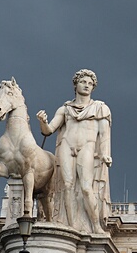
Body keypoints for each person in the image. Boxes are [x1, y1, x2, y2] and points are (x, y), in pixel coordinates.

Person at [36, 69, 112, 233]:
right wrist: (43, 121)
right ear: (76, 84)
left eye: (90, 83)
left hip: (87, 146)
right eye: (83, 82)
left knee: (86, 187)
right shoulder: (65, 109)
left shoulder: (100, 108)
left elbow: (104, 134)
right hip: (66, 145)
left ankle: (95, 225)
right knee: (67, 186)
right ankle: (72, 226)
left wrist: (105, 153)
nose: (87, 85)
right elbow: (48, 130)